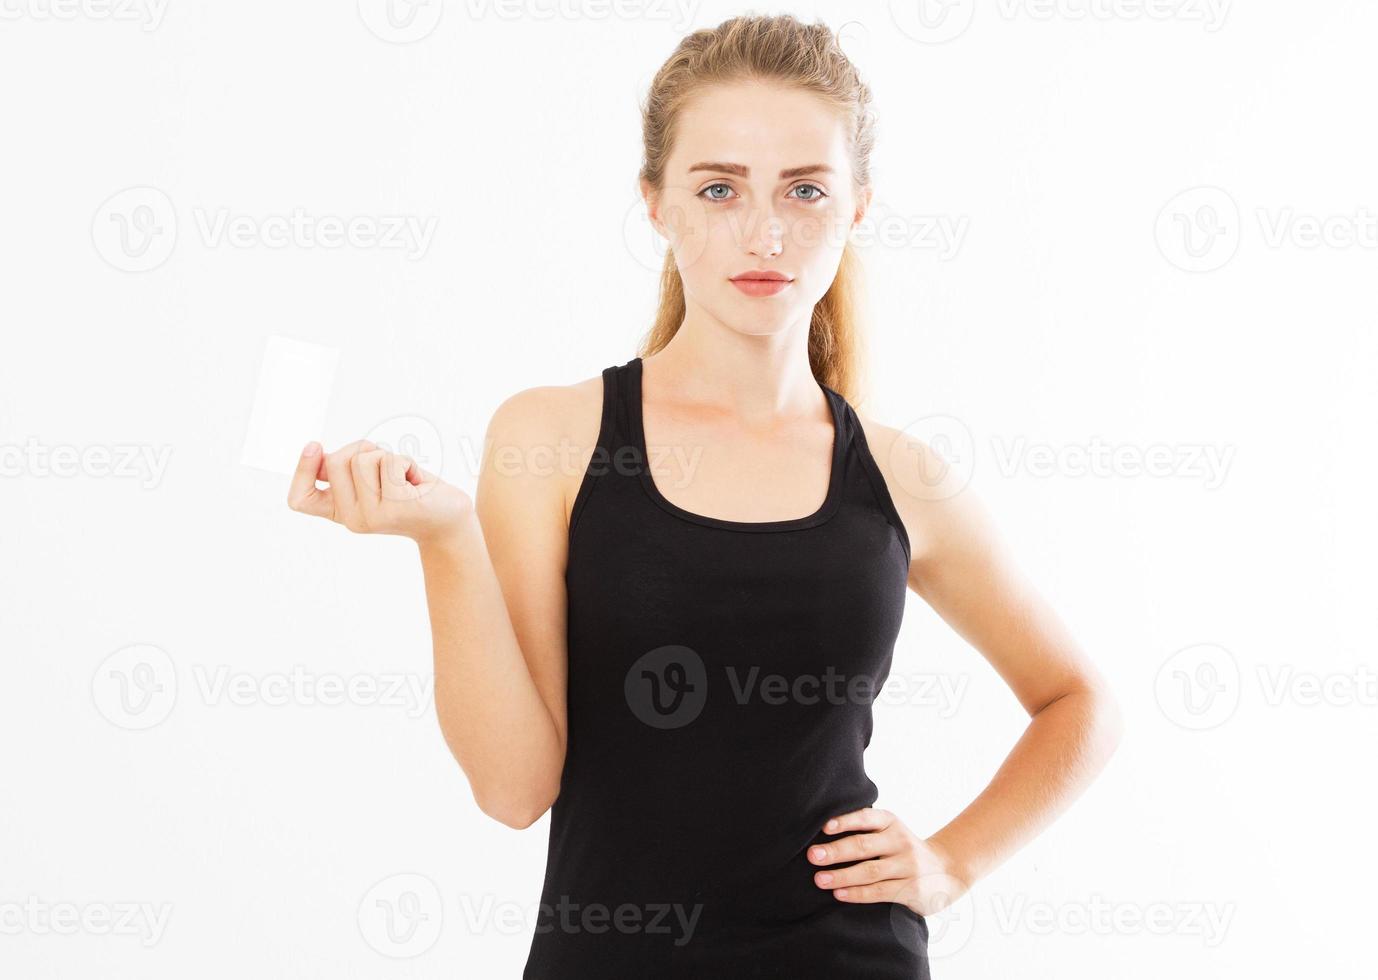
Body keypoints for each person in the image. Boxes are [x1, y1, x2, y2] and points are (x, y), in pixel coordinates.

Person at [287, 13, 1122, 977]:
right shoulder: (553, 436)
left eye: (805, 190)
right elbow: (513, 789)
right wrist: (444, 539)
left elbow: (1081, 701)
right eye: (718, 188)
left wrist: (952, 864)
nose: (765, 232)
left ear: (856, 208)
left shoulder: (901, 477)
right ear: (656, 204)